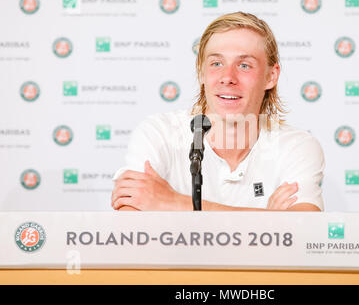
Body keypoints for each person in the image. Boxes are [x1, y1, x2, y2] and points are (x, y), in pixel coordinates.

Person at [111, 12, 325, 212]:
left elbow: (302, 229)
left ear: (271, 76)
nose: (227, 77)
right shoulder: (159, 133)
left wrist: (171, 201)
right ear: (201, 72)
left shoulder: (296, 146)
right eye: (216, 63)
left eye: (244, 65)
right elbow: (131, 219)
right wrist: (267, 221)